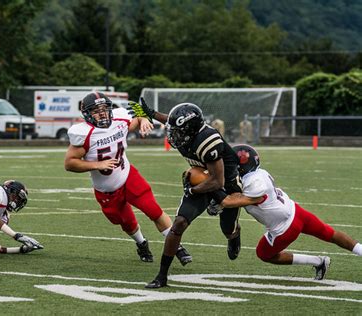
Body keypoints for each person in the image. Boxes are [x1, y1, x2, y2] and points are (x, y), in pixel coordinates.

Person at [64, 92, 192, 265]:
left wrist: (143, 119)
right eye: (96, 110)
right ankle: (141, 243)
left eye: (104, 109)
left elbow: (136, 120)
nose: (102, 113)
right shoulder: (84, 134)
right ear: (87, 114)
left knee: (153, 210)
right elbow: (69, 163)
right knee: (126, 222)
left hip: (128, 176)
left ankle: (177, 247)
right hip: (107, 190)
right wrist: (96, 165)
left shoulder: (119, 120)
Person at [129, 99, 242, 288]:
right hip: (202, 177)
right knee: (179, 223)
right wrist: (152, 114)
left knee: (227, 228)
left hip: (225, 184)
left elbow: (217, 181)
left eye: (178, 131)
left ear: (190, 130)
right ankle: (162, 276)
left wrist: (192, 189)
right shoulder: (186, 130)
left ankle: (234, 235)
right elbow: (172, 121)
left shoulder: (207, 141)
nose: (173, 134)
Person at [208, 144, 362, 280]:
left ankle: (318, 261)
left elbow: (231, 201)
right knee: (331, 234)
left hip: (284, 227)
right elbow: (238, 195)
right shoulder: (259, 173)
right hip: (296, 211)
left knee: (263, 253)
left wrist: (214, 193)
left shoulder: (254, 183)